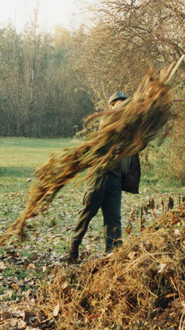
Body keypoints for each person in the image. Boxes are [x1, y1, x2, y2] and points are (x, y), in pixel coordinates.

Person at [66, 91, 143, 263]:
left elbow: (138, 145)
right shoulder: (108, 121)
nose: (123, 106)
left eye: (125, 103)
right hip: (99, 176)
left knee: (114, 219)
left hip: (116, 179)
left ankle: (113, 255)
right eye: (119, 103)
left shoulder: (129, 128)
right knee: (87, 213)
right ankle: (73, 249)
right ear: (111, 106)